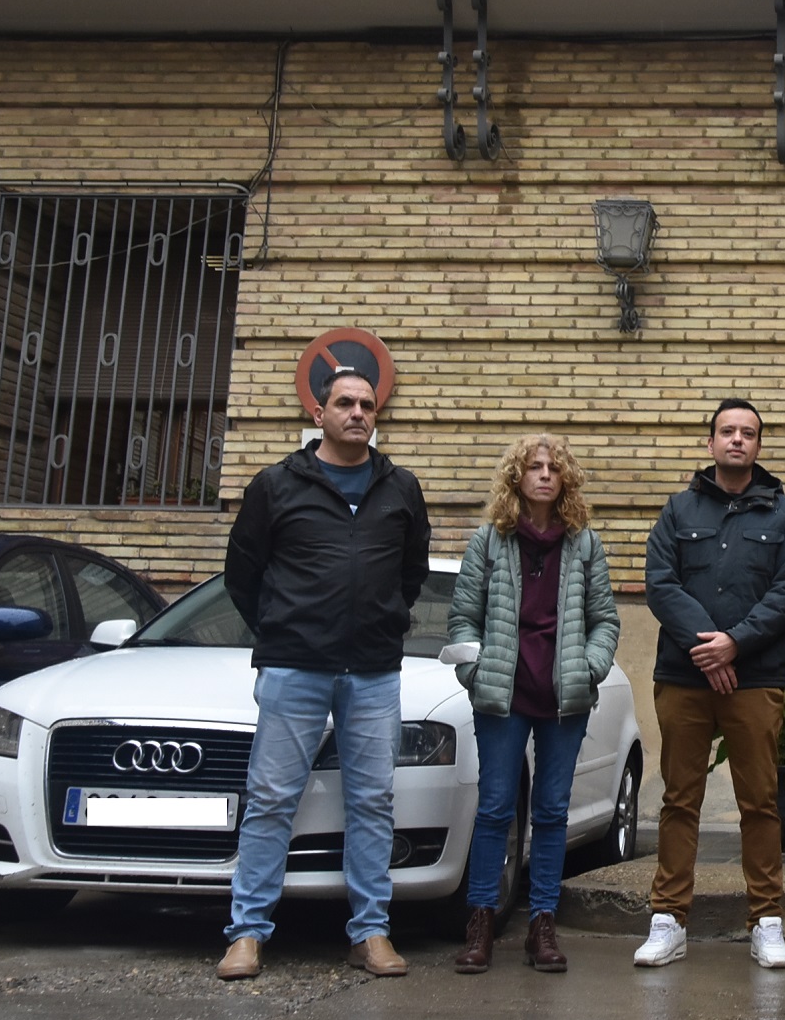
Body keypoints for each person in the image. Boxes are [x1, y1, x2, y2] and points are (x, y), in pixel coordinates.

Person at [217, 366, 432, 981]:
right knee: (270, 801)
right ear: (320, 414)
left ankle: (370, 932)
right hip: (294, 668)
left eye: (367, 404)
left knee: (372, 802)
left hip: (371, 671)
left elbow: (410, 571)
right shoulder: (277, 484)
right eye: (345, 403)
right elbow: (243, 575)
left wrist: (384, 619)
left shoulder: (401, 487)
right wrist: (283, 629)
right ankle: (248, 935)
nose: (358, 413)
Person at [635, 399, 785, 971]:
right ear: (710, 442)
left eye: (749, 433)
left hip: (754, 677)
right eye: (727, 432)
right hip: (684, 676)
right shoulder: (678, 508)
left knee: (759, 802)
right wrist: (707, 650)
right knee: (678, 800)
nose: (737, 440)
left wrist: (735, 643)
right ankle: (668, 920)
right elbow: (660, 583)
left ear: (759, 446)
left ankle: (766, 921)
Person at [448, 434, 620, 974]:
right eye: (533, 467)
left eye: (553, 467)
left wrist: (590, 667)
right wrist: (475, 671)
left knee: (550, 812)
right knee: (496, 809)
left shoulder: (583, 543)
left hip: (564, 698)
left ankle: (542, 924)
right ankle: (481, 923)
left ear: (565, 478)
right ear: (515, 478)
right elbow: (462, 619)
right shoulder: (489, 541)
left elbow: (605, 621)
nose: (544, 475)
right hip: (503, 696)